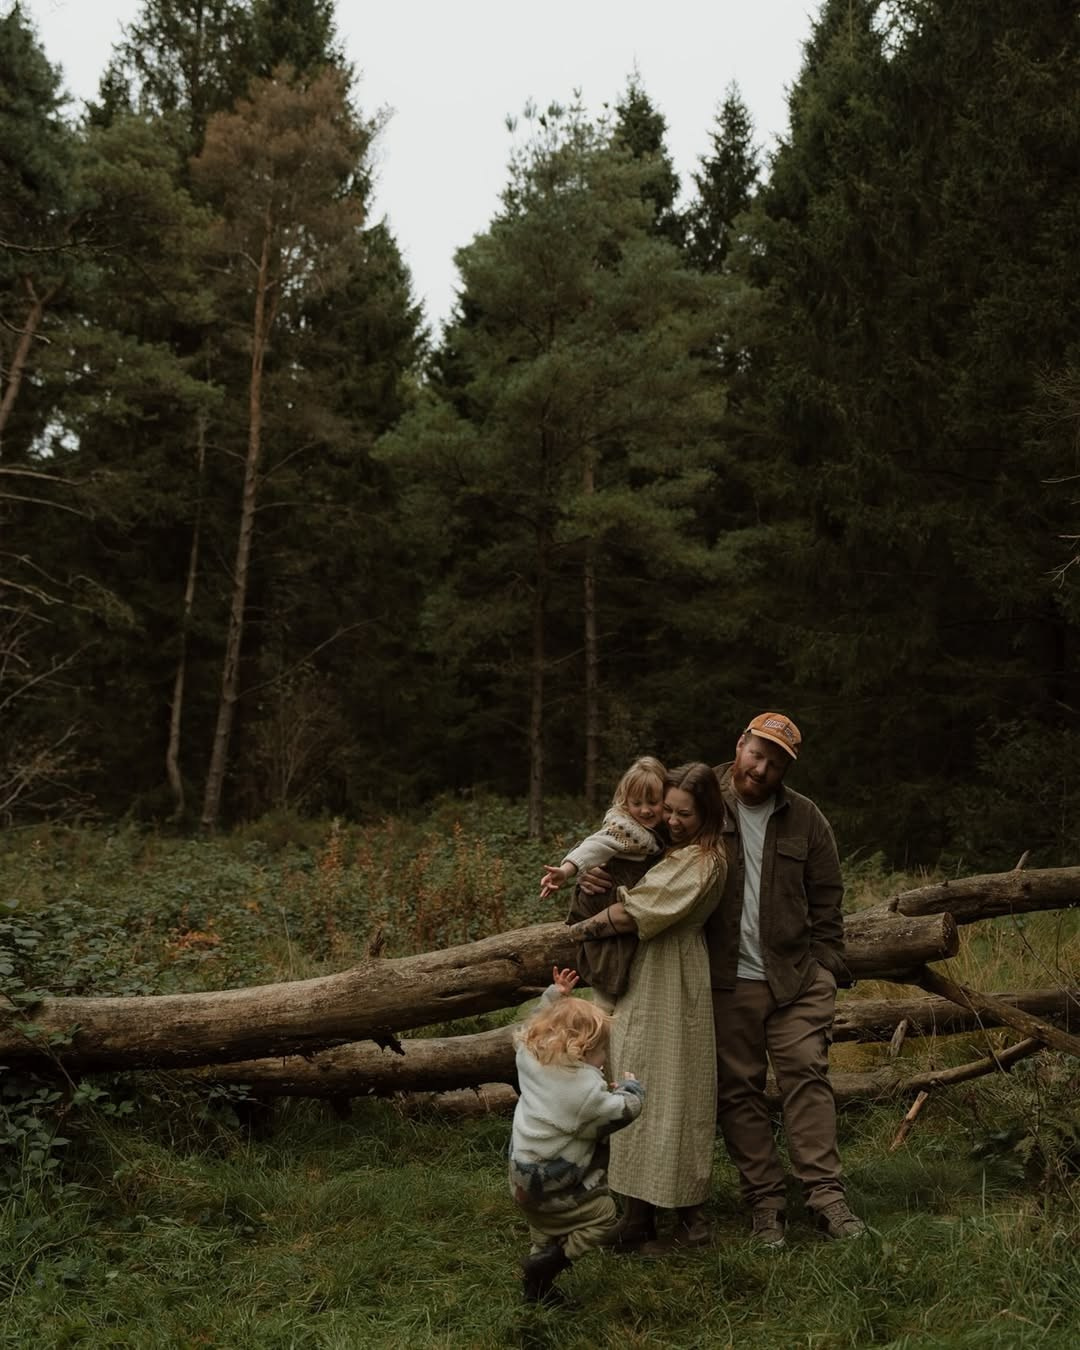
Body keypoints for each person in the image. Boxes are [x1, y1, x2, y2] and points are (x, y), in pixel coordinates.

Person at [707, 712, 865, 1246]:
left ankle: (827, 1198)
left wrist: (824, 966)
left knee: (806, 1075)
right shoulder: (698, 798)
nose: (762, 769)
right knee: (739, 1090)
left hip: (795, 979)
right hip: (725, 980)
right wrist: (586, 876)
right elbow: (636, 840)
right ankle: (766, 1204)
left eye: (775, 763)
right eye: (757, 754)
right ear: (740, 745)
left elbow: (828, 898)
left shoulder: (806, 818)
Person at [566, 762, 727, 1254]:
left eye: (684, 813)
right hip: (642, 980)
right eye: (669, 810)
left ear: (706, 814)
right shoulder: (668, 851)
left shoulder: (703, 861)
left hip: (674, 987)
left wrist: (576, 930)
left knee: (674, 1100)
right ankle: (636, 1217)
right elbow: (622, 881)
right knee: (632, 1087)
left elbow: (635, 911)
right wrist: (591, 880)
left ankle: (691, 1224)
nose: (672, 820)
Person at [509, 965, 645, 1305]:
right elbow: (622, 1111)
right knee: (601, 1215)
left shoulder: (529, 1055)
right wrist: (631, 1088)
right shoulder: (582, 1087)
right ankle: (552, 1263)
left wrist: (554, 997)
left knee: (544, 1225)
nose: (602, 1061)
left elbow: (534, 1023)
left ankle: (537, 1289)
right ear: (582, 1050)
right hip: (555, 1176)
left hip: (520, 1176)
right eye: (601, 1053)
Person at [540, 755, 667, 1012]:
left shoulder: (658, 832)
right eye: (637, 803)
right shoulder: (625, 830)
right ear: (624, 801)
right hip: (600, 904)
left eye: (653, 802)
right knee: (609, 965)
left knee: (621, 961)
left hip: (619, 911)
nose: (645, 810)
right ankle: (600, 1023)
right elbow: (595, 846)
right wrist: (565, 871)